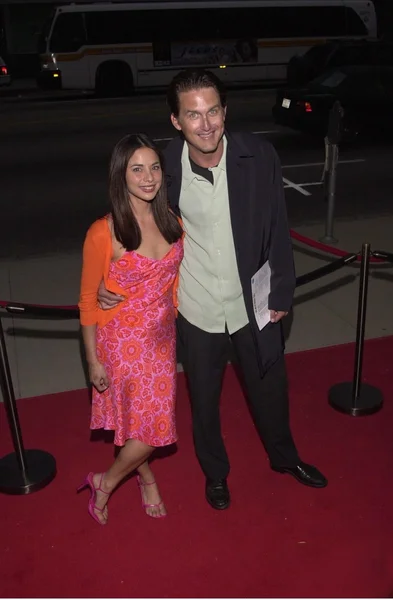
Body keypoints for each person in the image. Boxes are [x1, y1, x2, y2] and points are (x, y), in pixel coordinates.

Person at [98, 69, 327, 511]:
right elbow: (128, 220)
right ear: (176, 121)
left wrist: (281, 291)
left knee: (271, 393)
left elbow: (279, 225)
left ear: (225, 111)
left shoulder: (259, 156)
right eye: (193, 115)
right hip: (198, 310)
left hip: (252, 306)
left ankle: (285, 458)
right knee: (204, 404)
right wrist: (107, 283)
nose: (206, 125)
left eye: (213, 111)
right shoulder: (166, 170)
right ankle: (216, 475)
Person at [77, 133, 183, 524]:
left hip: (162, 338)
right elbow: (87, 301)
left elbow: (173, 280)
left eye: (154, 167)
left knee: (143, 423)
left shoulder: (173, 220)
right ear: (120, 176)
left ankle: (127, 477)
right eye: (136, 169)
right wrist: (92, 361)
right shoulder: (103, 232)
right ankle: (107, 483)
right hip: (121, 342)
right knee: (152, 428)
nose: (148, 177)